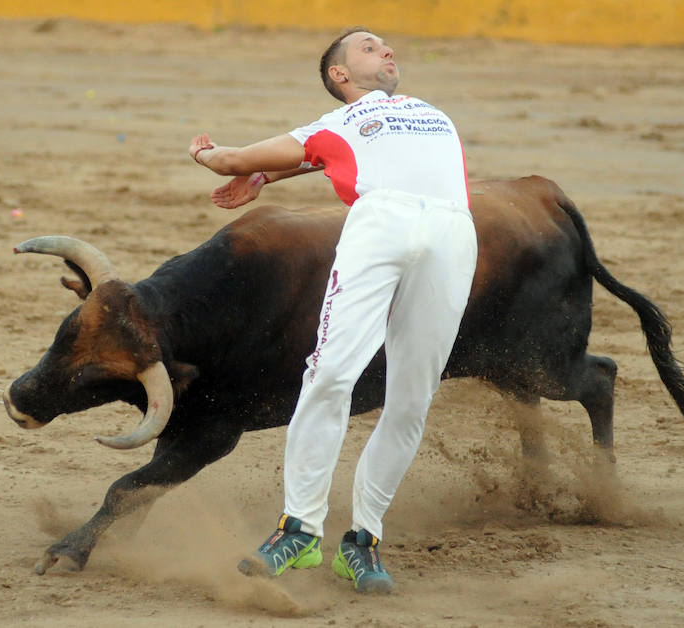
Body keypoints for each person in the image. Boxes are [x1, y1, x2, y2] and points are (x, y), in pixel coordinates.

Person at [188, 27, 477, 594]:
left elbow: (342, 155)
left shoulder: (423, 111)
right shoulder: (330, 125)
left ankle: (363, 541)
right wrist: (204, 153)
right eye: (369, 47)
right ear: (339, 75)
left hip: (453, 233)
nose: (387, 50)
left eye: (387, 45)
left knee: (414, 395)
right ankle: (299, 528)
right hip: (379, 227)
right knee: (332, 373)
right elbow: (234, 160)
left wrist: (273, 174)